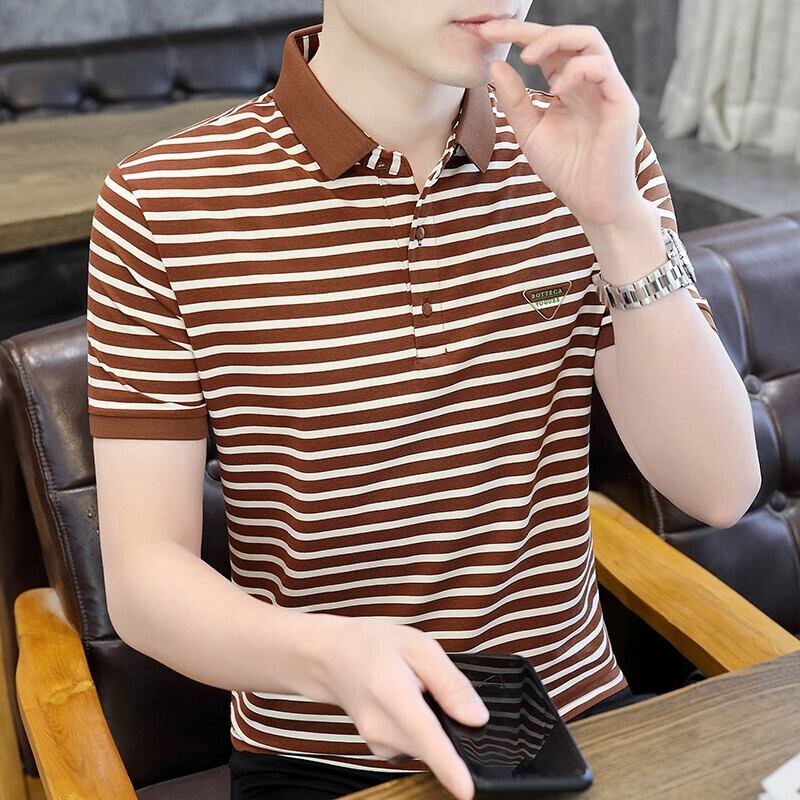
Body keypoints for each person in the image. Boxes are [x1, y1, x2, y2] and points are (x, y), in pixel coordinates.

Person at [86, 2, 760, 800]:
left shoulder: (592, 145)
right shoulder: (162, 200)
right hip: (321, 757)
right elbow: (144, 577)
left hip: (576, 721)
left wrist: (617, 222)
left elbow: (718, 489)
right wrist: (328, 657)